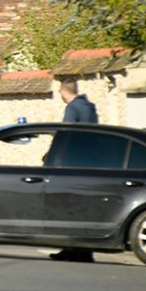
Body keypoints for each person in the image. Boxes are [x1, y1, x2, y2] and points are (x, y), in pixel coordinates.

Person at [51, 79, 99, 262]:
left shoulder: (72, 108)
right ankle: (84, 250)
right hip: (90, 161)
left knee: (69, 207)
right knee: (83, 208)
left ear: (63, 92)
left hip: (73, 162)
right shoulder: (89, 107)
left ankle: (72, 248)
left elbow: (66, 133)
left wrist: (54, 156)